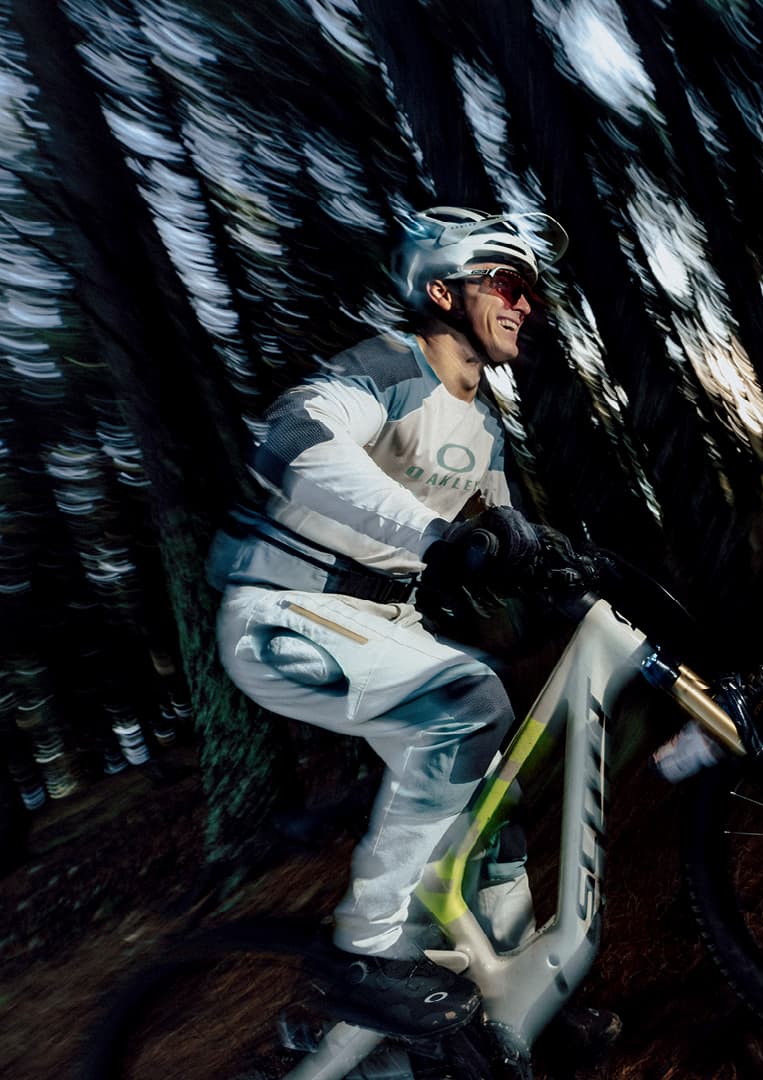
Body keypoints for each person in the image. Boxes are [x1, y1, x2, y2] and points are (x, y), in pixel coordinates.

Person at [209, 207, 570, 1040]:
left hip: (378, 623)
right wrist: (436, 536)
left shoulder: (483, 422)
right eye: (508, 285)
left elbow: (508, 535)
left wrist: (561, 574)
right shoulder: (387, 364)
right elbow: (299, 443)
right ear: (442, 291)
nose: (525, 305)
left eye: (533, 295)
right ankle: (364, 954)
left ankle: (519, 1009)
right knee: (466, 700)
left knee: (494, 796)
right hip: (283, 608)